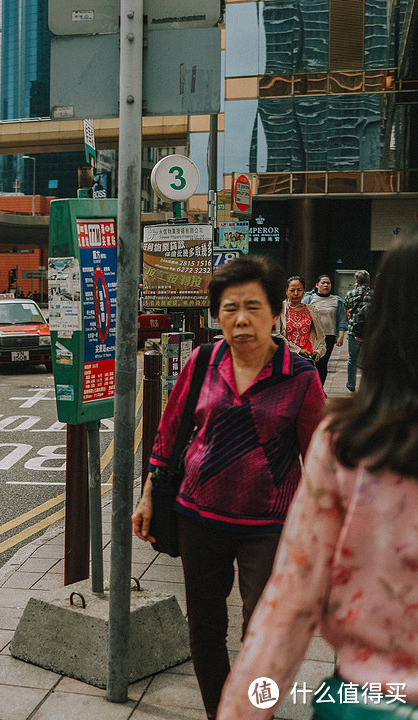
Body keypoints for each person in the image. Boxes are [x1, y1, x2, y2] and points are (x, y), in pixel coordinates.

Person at [218, 232, 418, 719]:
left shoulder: (351, 441)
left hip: (369, 700)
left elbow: (290, 605)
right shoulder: (210, 363)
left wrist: (247, 708)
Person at [132, 255, 325, 719]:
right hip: (199, 516)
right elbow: (169, 433)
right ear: (216, 315)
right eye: (229, 308)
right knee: (204, 627)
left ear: (276, 312)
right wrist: (149, 494)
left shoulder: (299, 376)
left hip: (270, 524)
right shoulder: (203, 361)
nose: (241, 319)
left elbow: (318, 458)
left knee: (263, 634)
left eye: (254, 307)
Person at [303, 274, 346, 385]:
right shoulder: (309, 299)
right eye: (323, 282)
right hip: (312, 336)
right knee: (311, 362)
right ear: (317, 285)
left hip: (329, 336)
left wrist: (340, 336)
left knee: (323, 363)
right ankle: (311, 388)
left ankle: (320, 388)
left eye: (328, 283)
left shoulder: (337, 301)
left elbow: (341, 319)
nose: (326, 285)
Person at [275, 275, 326, 363]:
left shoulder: (313, 310)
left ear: (304, 291)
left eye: (299, 290)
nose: (295, 293)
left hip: (306, 357)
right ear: (286, 291)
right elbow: (276, 335)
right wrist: (298, 350)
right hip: (286, 356)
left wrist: (318, 352)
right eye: (292, 290)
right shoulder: (280, 309)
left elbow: (320, 336)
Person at [342, 269, 372, 392]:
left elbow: (346, 309)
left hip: (353, 330)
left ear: (356, 281)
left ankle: (351, 384)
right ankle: (367, 386)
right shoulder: (374, 294)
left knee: (352, 359)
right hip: (369, 331)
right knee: (369, 359)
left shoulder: (350, 294)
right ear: (368, 281)